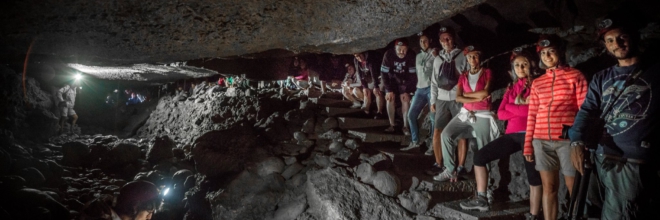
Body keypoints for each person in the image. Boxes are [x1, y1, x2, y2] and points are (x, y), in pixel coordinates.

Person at [569, 17, 659, 219]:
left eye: (622, 37)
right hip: (599, 155)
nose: (616, 44)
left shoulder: (655, 73)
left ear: (634, 37)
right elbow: (587, 110)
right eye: (609, 40)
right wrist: (576, 141)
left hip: (631, 160)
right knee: (592, 211)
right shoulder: (602, 77)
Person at [460, 48, 543, 219]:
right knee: (479, 158)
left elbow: (533, 111)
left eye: (524, 64)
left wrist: (514, 108)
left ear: (531, 66)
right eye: (517, 65)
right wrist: (520, 108)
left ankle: (535, 214)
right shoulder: (512, 87)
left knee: (534, 177)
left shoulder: (537, 85)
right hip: (512, 134)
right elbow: (501, 113)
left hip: (530, 134)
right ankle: (482, 198)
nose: (520, 68)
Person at [523, 34, 587, 220]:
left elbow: (584, 110)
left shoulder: (575, 76)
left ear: (560, 52)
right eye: (543, 53)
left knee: (573, 186)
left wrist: (580, 140)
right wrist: (528, 144)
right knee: (549, 188)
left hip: (567, 141)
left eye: (551, 51)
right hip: (541, 142)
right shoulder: (538, 83)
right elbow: (532, 114)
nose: (547, 56)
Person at [434, 45, 499, 182]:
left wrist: (468, 96)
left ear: (479, 57)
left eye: (475, 56)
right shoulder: (463, 76)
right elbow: (458, 97)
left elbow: (486, 92)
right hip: (466, 112)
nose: (472, 59)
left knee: (483, 148)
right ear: (467, 59)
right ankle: (450, 169)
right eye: (470, 56)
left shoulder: (487, 72)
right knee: (446, 134)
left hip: (482, 113)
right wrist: (478, 97)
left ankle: (486, 186)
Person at [428, 26, 469, 175]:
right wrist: (433, 100)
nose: (446, 41)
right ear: (439, 41)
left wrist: (468, 99)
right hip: (441, 99)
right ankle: (439, 163)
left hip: (458, 99)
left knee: (462, 132)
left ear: (453, 39)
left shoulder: (463, 56)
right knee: (438, 131)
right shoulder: (438, 59)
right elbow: (433, 81)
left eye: (448, 38)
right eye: (443, 39)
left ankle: (460, 166)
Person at [401, 33, 436, 151]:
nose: (423, 43)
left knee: (433, 117)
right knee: (411, 115)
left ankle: (432, 143)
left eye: (425, 41)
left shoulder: (435, 54)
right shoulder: (418, 56)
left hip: (431, 88)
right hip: (420, 89)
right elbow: (415, 74)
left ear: (430, 41)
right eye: (421, 41)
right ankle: (415, 141)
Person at [380, 38, 417, 133]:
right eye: (399, 49)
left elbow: (412, 75)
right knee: (390, 98)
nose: (402, 52)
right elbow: (384, 73)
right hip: (391, 79)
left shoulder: (411, 55)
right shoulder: (388, 54)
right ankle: (392, 124)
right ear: (395, 48)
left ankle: (405, 126)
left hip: (404, 80)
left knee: (405, 99)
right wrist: (388, 90)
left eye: (404, 49)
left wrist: (406, 90)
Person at [354, 52, 385, 117]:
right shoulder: (356, 61)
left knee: (377, 92)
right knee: (366, 92)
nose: (359, 58)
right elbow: (360, 74)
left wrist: (376, 86)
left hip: (378, 76)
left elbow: (374, 73)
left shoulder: (370, 59)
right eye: (357, 56)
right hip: (369, 78)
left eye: (360, 55)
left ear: (363, 54)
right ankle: (367, 110)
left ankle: (380, 112)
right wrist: (364, 86)